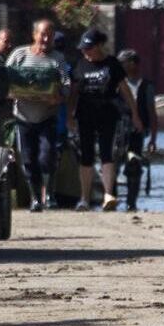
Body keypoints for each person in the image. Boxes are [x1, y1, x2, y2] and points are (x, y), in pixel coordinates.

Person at [67, 29, 142, 211]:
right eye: (84, 49)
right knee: (86, 156)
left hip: (107, 114)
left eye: (89, 48)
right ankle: (84, 198)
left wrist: (135, 114)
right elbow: (74, 92)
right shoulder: (80, 65)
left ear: (99, 46)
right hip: (85, 114)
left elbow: (124, 90)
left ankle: (108, 195)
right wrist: (70, 115)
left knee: (107, 153)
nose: (86, 52)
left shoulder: (112, 64)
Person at [7, 19, 70, 212]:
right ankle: (35, 199)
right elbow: (3, 78)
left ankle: (49, 195)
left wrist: (58, 98)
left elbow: (66, 84)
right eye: (42, 34)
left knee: (47, 156)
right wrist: (10, 92)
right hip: (23, 117)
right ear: (34, 35)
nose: (46, 38)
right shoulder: (19, 54)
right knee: (28, 159)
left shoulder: (57, 58)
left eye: (49, 35)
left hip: (47, 117)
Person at [116, 49, 158, 212]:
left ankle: (131, 203)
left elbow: (152, 113)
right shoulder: (117, 82)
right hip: (117, 132)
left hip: (137, 133)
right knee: (113, 164)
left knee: (134, 166)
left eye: (123, 63)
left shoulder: (146, 86)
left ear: (133, 64)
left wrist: (153, 139)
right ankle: (110, 198)